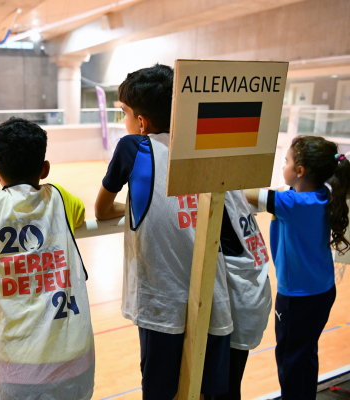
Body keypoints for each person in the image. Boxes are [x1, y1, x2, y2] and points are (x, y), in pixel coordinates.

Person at [94, 65, 233, 400]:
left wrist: (137, 207)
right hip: (212, 294)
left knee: (160, 391)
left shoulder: (132, 148)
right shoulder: (202, 147)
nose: (124, 121)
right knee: (205, 390)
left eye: (124, 113)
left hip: (162, 303)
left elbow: (101, 210)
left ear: (141, 122)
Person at [0, 117, 94, 399]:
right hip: (76, 362)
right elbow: (81, 213)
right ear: (45, 169)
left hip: (16, 369)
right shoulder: (60, 198)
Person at [245, 136, 350, 400]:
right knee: (305, 354)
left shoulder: (292, 205)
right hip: (322, 292)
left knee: (290, 361)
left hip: (298, 299)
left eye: (286, 162)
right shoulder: (319, 195)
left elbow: (246, 193)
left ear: (300, 171)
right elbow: (285, 192)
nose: (283, 166)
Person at [211, 191, 272, 400]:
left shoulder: (218, 193)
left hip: (240, 307)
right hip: (252, 298)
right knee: (228, 385)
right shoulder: (234, 190)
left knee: (224, 390)